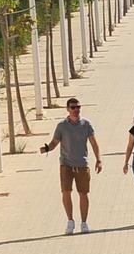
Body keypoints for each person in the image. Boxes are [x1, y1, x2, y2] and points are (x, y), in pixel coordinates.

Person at [40, 98, 103, 234]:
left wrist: (98, 160)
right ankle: (70, 221)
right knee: (66, 192)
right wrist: (47, 149)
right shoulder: (62, 126)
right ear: (67, 109)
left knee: (83, 193)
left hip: (82, 164)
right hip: (66, 165)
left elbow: (93, 143)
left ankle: (84, 223)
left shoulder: (86, 124)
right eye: (73, 107)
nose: (76, 110)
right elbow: (55, 142)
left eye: (78, 107)